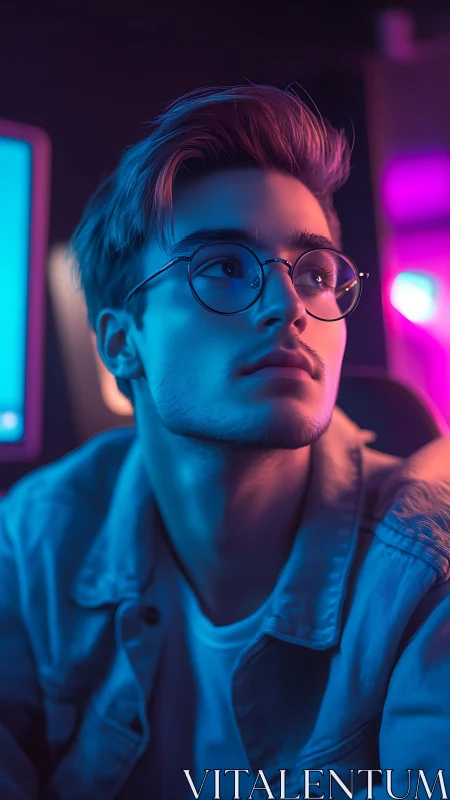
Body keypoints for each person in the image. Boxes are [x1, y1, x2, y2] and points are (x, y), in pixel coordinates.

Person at [1, 84, 450, 800]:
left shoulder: (426, 573)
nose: (289, 306)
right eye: (223, 267)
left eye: (315, 274)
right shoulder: (35, 539)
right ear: (121, 343)